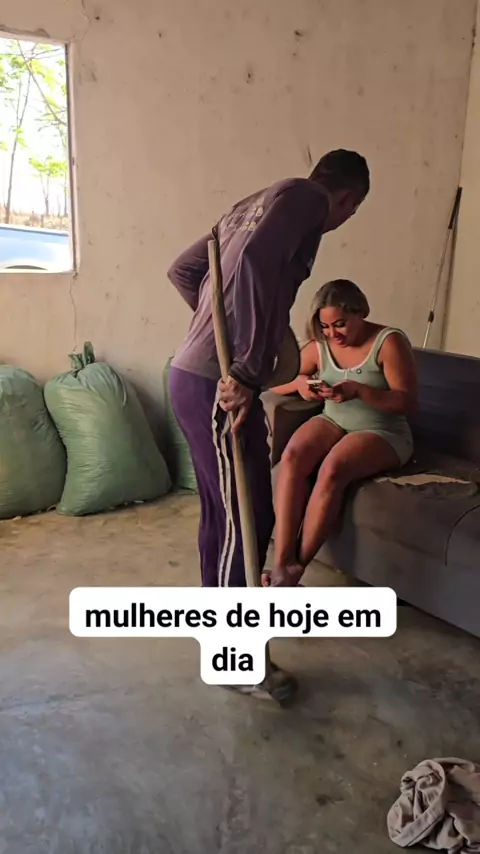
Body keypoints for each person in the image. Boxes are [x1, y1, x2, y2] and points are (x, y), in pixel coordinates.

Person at [167, 151, 370, 698]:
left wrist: (219, 330)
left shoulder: (248, 206)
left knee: (231, 512)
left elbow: (184, 270)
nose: (340, 220)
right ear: (348, 199)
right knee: (246, 516)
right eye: (349, 213)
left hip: (196, 376)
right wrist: (244, 366)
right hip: (220, 383)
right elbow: (255, 264)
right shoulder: (306, 198)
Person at [266, 279, 418, 588]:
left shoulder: (388, 342)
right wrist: (300, 384)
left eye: (340, 324)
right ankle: (282, 561)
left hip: (383, 431)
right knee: (292, 457)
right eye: (325, 326)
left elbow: (407, 402)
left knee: (333, 468)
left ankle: (294, 569)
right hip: (334, 420)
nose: (332, 334)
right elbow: (274, 381)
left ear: (360, 312)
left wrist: (360, 391)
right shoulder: (320, 346)